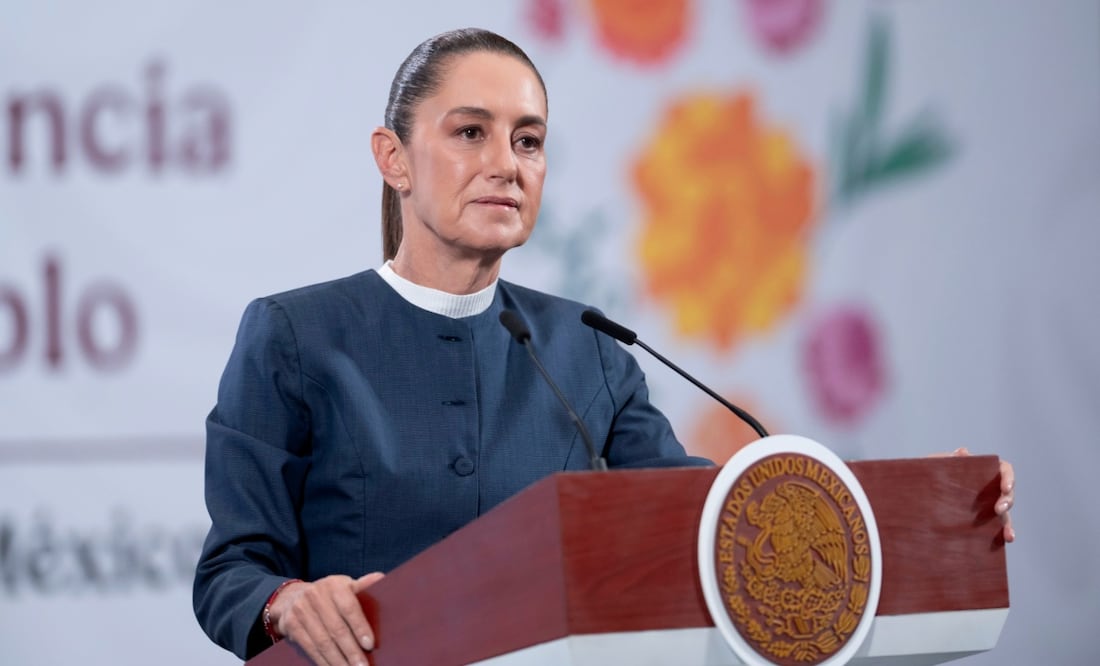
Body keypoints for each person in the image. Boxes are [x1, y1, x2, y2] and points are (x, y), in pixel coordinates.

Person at [193, 27, 1016, 666]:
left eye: (528, 141)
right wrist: (286, 602)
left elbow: (705, 520)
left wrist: (909, 513)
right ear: (393, 159)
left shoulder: (585, 349)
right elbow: (232, 572)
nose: (506, 164)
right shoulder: (295, 336)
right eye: (471, 132)